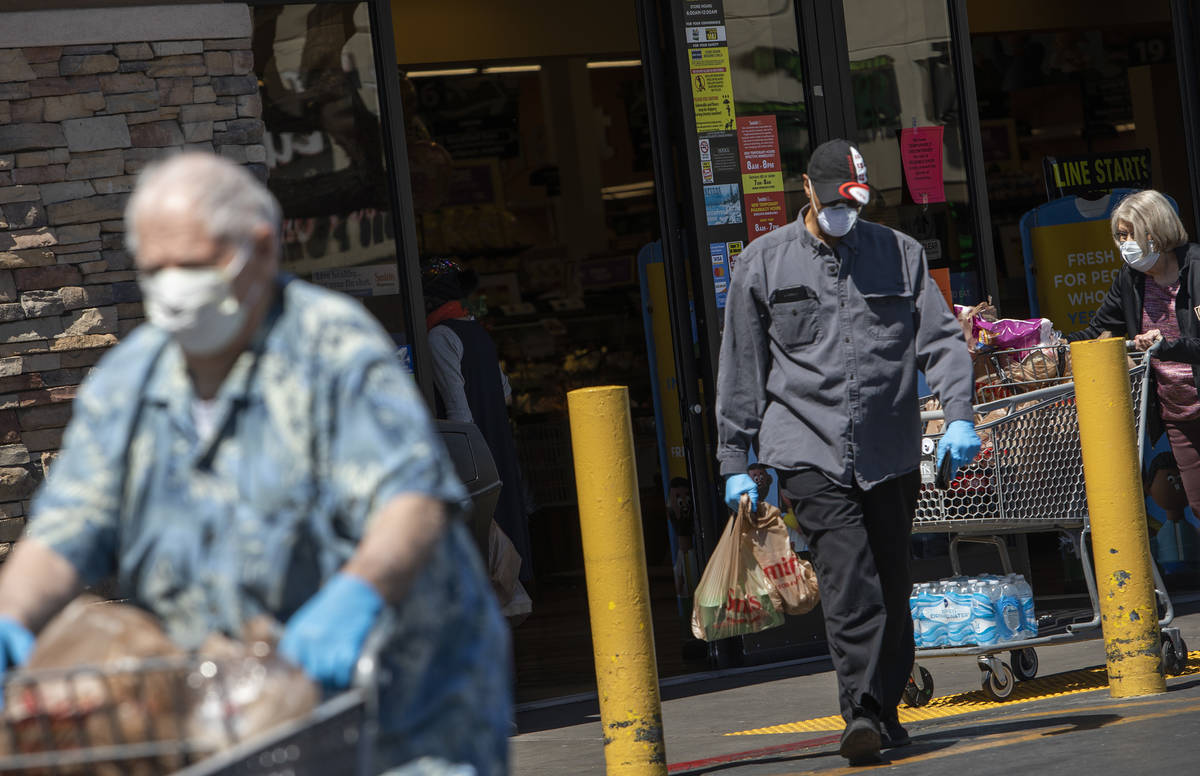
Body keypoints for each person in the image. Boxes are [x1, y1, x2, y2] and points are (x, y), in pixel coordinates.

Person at [0, 153, 511, 774]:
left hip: (403, 712)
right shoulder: (131, 382)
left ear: (261, 250)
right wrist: (12, 616)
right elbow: (65, 529)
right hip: (251, 717)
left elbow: (410, 504)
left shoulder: (333, 350)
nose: (174, 286)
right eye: (155, 269)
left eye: (193, 264)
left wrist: (356, 591)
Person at [716, 139, 979, 765]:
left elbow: (940, 340)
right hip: (806, 446)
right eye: (834, 202)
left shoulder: (900, 254)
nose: (844, 213)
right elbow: (742, 368)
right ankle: (859, 712)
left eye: (855, 203)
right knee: (850, 577)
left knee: (891, 580)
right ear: (806, 188)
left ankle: (884, 709)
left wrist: (961, 416)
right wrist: (735, 460)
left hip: (888, 447)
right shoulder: (764, 263)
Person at [1067, 189, 1200, 534]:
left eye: (1129, 235)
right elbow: (1099, 331)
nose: (1124, 244)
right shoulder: (1131, 280)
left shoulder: (1196, 269)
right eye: (1120, 236)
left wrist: (1166, 345)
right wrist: (1049, 345)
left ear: (1155, 232)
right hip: (1178, 415)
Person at [423, 259, 533, 586]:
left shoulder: (439, 335)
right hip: (496, 441)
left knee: (482, 533)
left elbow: (458, 409)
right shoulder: (477, 332)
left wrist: (464, 467)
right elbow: (506, 391)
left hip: (474, 452)